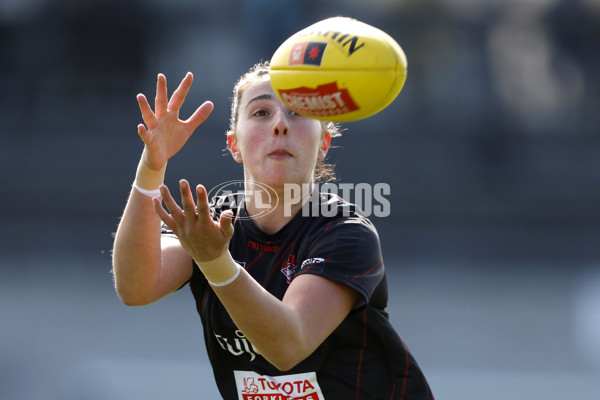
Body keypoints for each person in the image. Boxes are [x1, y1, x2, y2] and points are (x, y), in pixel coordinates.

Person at [112, 62, 434, 399]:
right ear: (234, 144)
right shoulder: (219, 222)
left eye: (297, 113)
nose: (280, 124)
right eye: (262, 112)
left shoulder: (346, 233)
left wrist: (214, 262)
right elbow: (136, 287)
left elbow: (287, 345)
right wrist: (152, 166)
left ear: (324, 142)